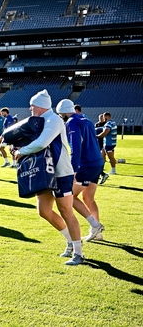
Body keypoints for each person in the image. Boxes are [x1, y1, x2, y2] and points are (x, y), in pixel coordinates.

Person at [15, 90, 83, 265]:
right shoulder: (39, 121)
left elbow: (42, 143)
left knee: (66, 211)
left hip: (61, 173)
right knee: (44, 211)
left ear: (39, 106)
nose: (30, 108)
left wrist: (21, 152)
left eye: (32, 105)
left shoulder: (53, 120)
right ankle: (69, 242)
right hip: (43, 172)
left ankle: (78, 252)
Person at [56, 99, 105, 243]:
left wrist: (73, 169)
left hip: (85, 164)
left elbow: (75, 147)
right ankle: (96, 232)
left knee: (70, 196)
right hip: (96, 163)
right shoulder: (86, 119)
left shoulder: (72, 122)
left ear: (63, 112)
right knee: (88, 198)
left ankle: (95, 225)